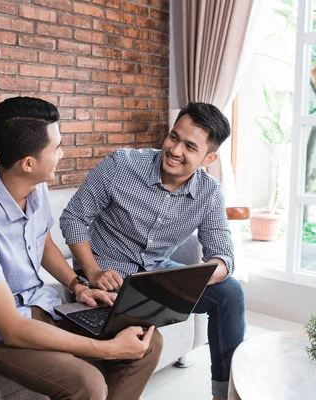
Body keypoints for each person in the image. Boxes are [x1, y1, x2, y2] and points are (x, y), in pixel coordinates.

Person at [0, 96, 162, 400]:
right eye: (56, 147)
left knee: (147, 340)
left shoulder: (35, 187)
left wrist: (77, 285)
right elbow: (12, 328)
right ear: (28, 163)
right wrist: (107, 349)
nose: (62, 153)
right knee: (88, 382)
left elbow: (42, 241)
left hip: (39, 304)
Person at [60, 102, 246, 400]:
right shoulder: (122, 165)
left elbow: (224, 254)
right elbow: (74, 217)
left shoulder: (210, 192)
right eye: (174, 137)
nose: (175, 150)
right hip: (108, 277)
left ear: (209, 157)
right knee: (138, 330)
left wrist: (199, 277)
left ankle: (224, 395)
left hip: (155, 278)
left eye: (189, 146)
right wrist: (93, 271)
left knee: (230, 291)